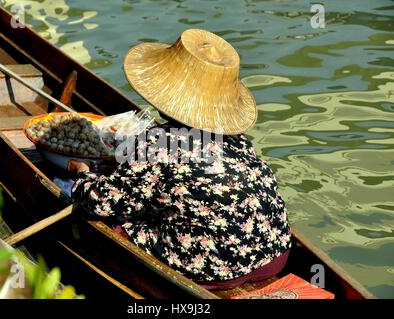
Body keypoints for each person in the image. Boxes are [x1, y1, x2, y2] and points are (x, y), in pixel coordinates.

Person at [68, 29, 291, 290]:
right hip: (275, 253)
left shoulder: (158, 142)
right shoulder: (237, 139)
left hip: (213, 267)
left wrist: (82, 174)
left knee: (107, 215)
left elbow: (102, 202)